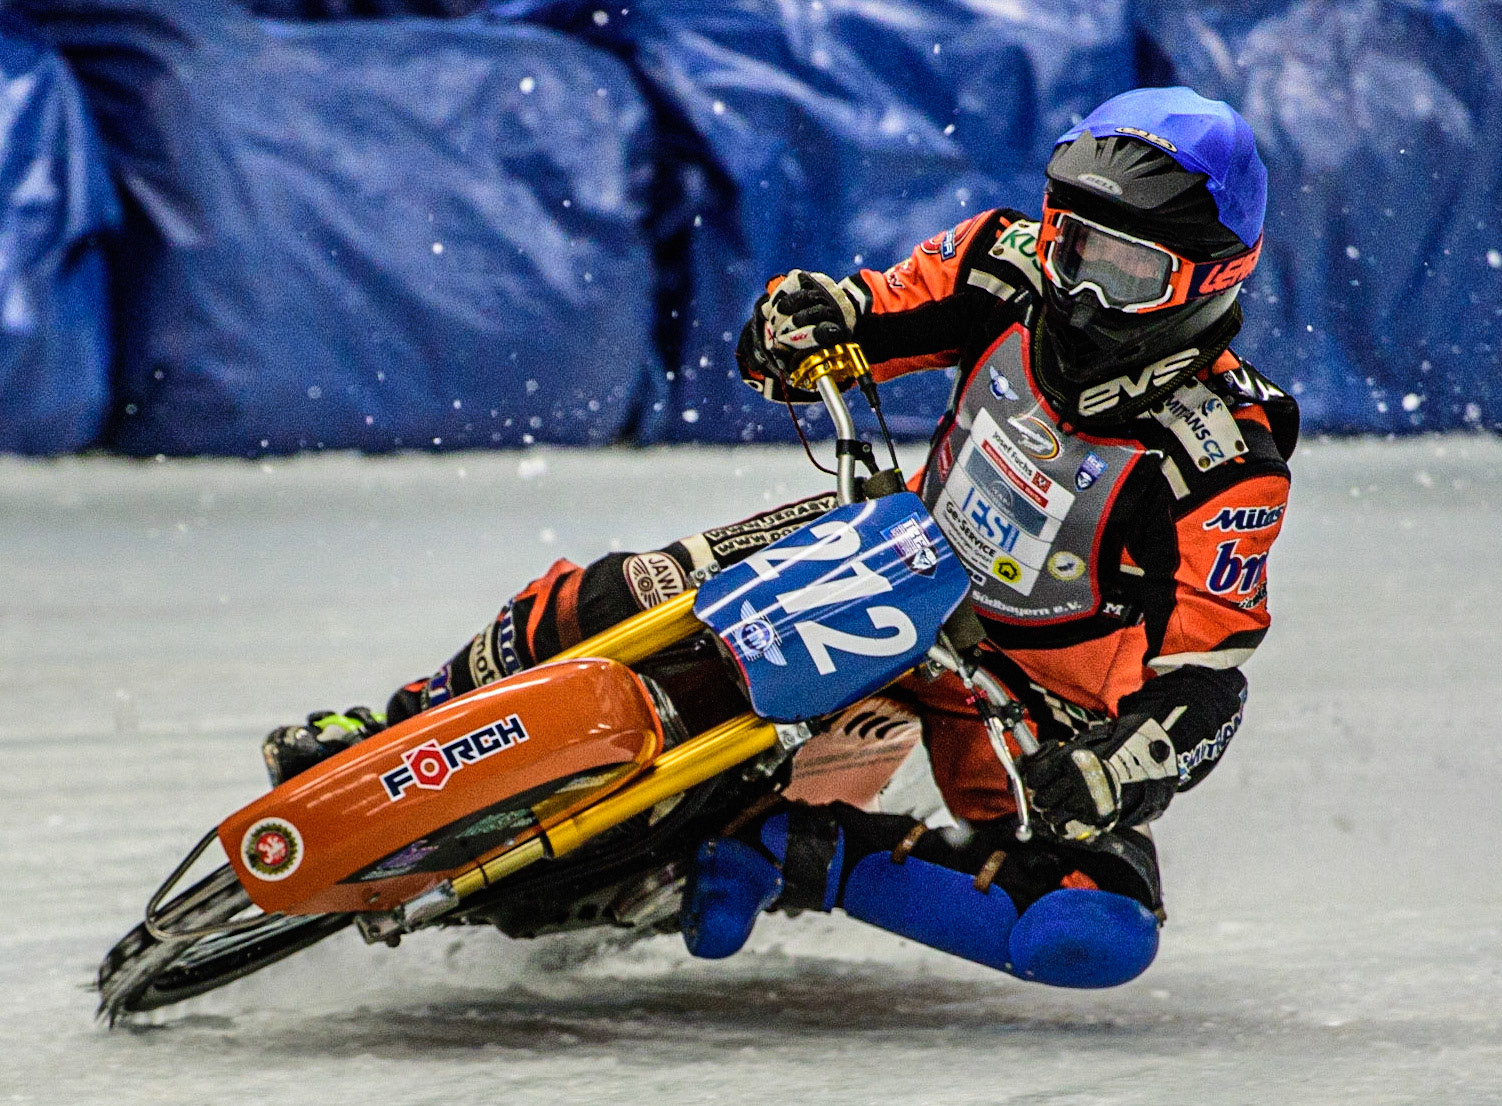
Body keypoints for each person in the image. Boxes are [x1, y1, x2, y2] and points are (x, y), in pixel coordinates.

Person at [264, 86, 1298, 988]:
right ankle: (393, 726)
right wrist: (800, 321)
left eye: (1127, 272)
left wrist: (1125, 764)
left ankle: (797, 850)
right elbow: (862, 312)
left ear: (1213, 278)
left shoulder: (1224, 457)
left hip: (1025, 695)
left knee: (1095, 930)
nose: (1081, 291)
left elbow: (1208, 676)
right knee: (637, 588)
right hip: (892, 553)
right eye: (1074, 247)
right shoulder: (1002, 264)